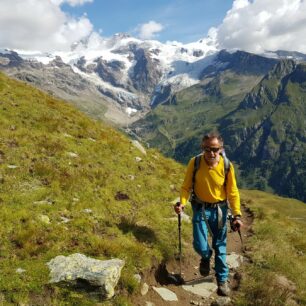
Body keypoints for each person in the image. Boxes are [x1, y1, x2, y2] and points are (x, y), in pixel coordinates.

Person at [174, 132, 243, 296]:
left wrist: (237, 215)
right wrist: (182, 203)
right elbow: (186, 187)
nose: (211, 153)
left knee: (220, 246)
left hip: (220, 210)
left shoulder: (227, 165)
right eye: (207, 149)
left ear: (221, 148)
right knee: (200, 244)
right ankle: (205, 256)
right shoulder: (195, 162)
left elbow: (232, 192)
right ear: (202, 148)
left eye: (215, 149)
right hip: (201, 208)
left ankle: (222, 279)